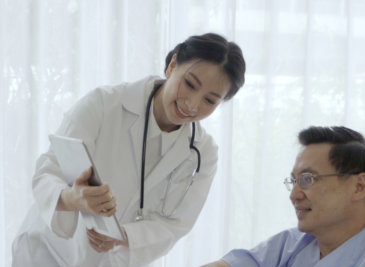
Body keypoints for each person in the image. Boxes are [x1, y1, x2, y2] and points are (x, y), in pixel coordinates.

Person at [12, 33, 246, 267]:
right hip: (47, 253)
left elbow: (177, 223)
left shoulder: (203, 153)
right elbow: (47, 172)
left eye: (210, 100)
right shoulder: (104, 104)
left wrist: (124, 236)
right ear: (172, 65)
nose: (192, 104)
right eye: (190, 84)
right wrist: (72, 198)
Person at [203, 126, 365, 267]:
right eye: (293, 181)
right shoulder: (293, 243)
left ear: (358, 187)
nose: (294, 195)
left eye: (307, 179)